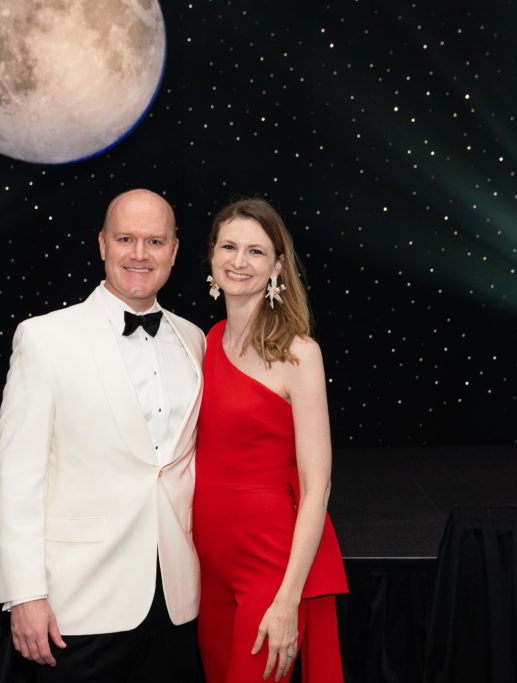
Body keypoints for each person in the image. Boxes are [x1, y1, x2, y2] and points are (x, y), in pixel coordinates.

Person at [0, 188, 206, 682]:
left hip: (176, 603)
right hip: (78, 606)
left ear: (174, 251)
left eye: (154, 241)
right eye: (125, 238)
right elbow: (17, 477)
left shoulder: (194, 339)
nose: (139, 253)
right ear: (102, 245)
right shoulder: (44, 338)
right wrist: (25, 593)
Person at [194, 198, 348, 682]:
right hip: (208, 566)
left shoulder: (300, 354)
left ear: (277, 266)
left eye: (256, 252)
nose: (239, 261)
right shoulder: (203, 341)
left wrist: (289, 598)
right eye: (229, 246)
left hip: (269, 565)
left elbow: (317, 486)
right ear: (212, 257)